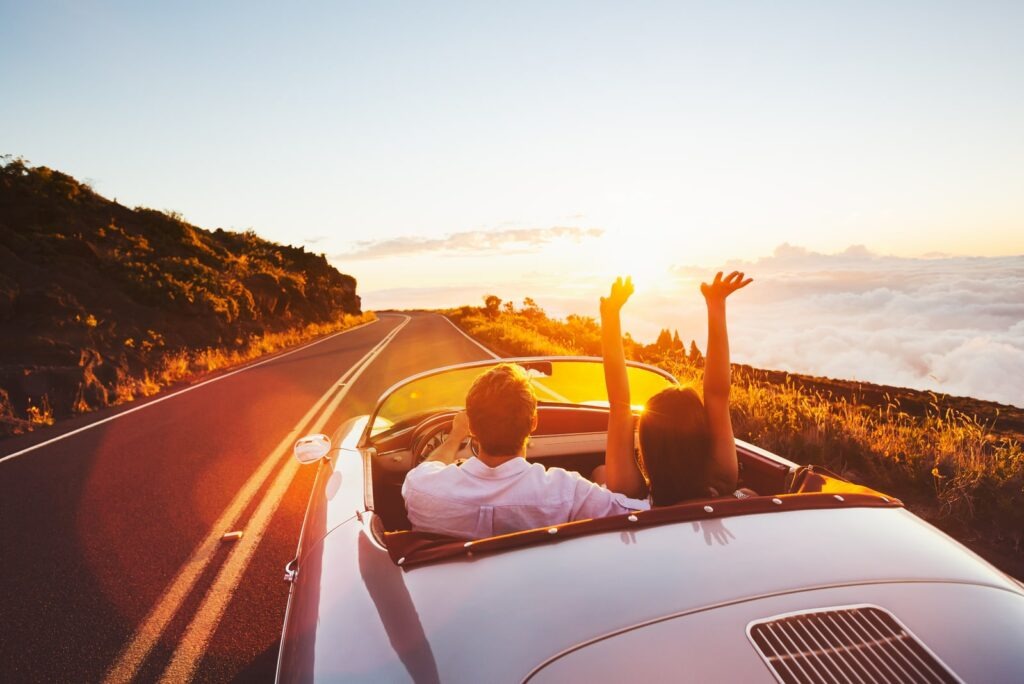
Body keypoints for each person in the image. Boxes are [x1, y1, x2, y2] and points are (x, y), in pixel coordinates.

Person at [402, 363, 649, 539]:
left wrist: (455, 437)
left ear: (472, 428)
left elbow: (427, 468)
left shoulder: (420, 488)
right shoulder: (566, 492)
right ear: (533, 423)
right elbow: (640, 513)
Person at [599, 272, 753, 505]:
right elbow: (717, 395)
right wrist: (716, 304)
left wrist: (610, 316)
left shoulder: (632, 494)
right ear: (704, 439)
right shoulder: (722, 481)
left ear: (647, 447)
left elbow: (620, 406)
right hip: (726, 496)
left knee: (599, 473)